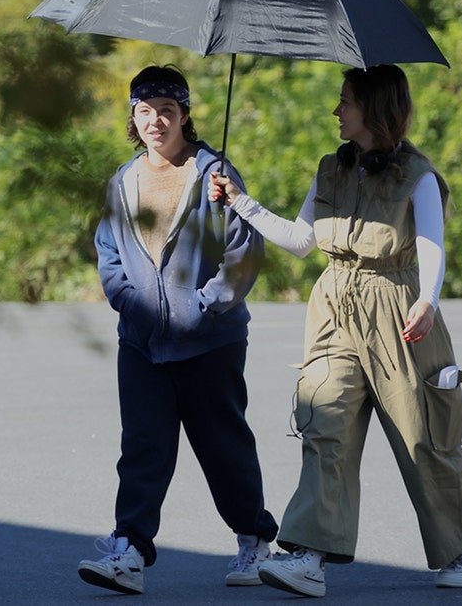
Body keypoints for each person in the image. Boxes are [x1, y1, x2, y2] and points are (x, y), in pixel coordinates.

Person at [208, 64, 462, 597]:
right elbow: (300, 240)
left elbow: (432, 243)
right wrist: (240, 203)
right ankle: (308, 558)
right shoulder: (330, 170)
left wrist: (428, 300)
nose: (337, 111)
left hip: (399, 305)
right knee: (325, 421)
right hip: (335, 304)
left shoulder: (418, 176)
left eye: (346, 101)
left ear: (375, 110)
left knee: (421, 434)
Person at [79, 65, 279, 595]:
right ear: (133, 117)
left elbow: (244, 253)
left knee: (222, 447)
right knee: (143, 446)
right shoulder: (122, 182)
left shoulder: (216, 175)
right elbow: (107, 254)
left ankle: (254, 537)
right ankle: (130, 551)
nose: (155, 121)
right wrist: (128, 302)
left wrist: (206, 306)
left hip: (210, 340)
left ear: (185, 115)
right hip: (142, 341)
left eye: (167, 110)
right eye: (145, 111)